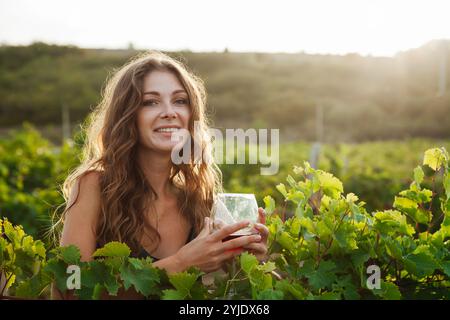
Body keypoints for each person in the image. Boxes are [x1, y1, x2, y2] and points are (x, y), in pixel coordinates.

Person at [53, 51, 268, 298]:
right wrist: (180, 264)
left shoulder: (199, 200)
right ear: (128, 115)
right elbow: (69, 288)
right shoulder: (95, 185)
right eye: (150, 102)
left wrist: (245, 266)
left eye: (179, 101)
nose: (169, 112)